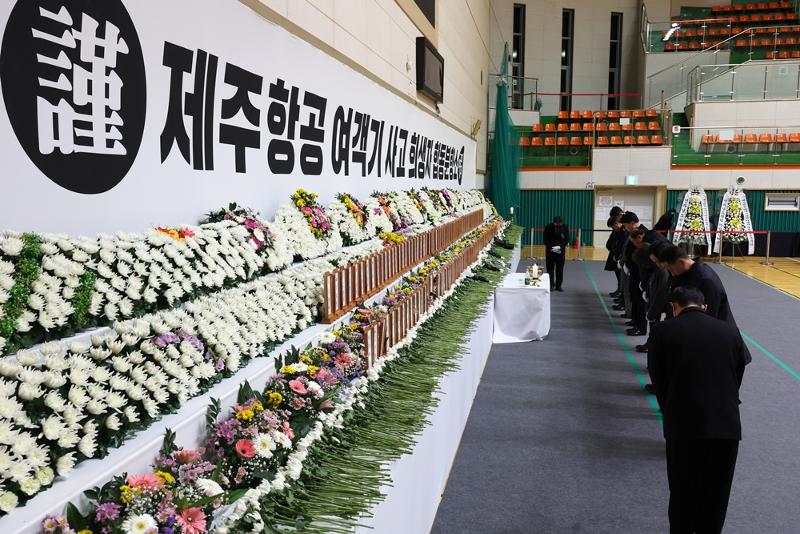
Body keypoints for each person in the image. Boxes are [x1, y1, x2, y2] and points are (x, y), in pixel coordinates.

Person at [648, 286, 747, 534]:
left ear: (673, 306)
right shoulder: (730, 331)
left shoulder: (663, 331)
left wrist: (669, 411)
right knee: (717, 492)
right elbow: (737, 375)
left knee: (683, 489)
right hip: (726, 425)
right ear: (704, 307)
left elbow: (659, 380)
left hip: (684, 424)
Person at [656, 244, 752, 364]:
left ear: (681, 262)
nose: (672, 273)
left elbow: (709, 317)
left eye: (670, 269)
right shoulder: (686, 273)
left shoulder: (705, 280)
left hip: (717, 340)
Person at [543, 216, 569, 292]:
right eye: (557, 223)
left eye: (560, 223)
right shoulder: (548, 227)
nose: (559, 225)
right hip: (550, 252)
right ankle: (550, 285)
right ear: (553, 222)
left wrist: (559, 247)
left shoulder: (565, 227)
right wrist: (552, 248)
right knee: (550, 269)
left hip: (560, 252)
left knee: (560, 269)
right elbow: (545, 240)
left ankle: (558, 286)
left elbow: (566, 240)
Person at [605, 213, 624, 298]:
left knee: (621, 277)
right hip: (615, 256)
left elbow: (622, 246)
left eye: (613, 226)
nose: (613, 229)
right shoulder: (617, 232)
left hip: (621, 259)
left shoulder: (623, 232)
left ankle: (621, 292)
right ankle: (619, 290)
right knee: (618, 275)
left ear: (616, 223)